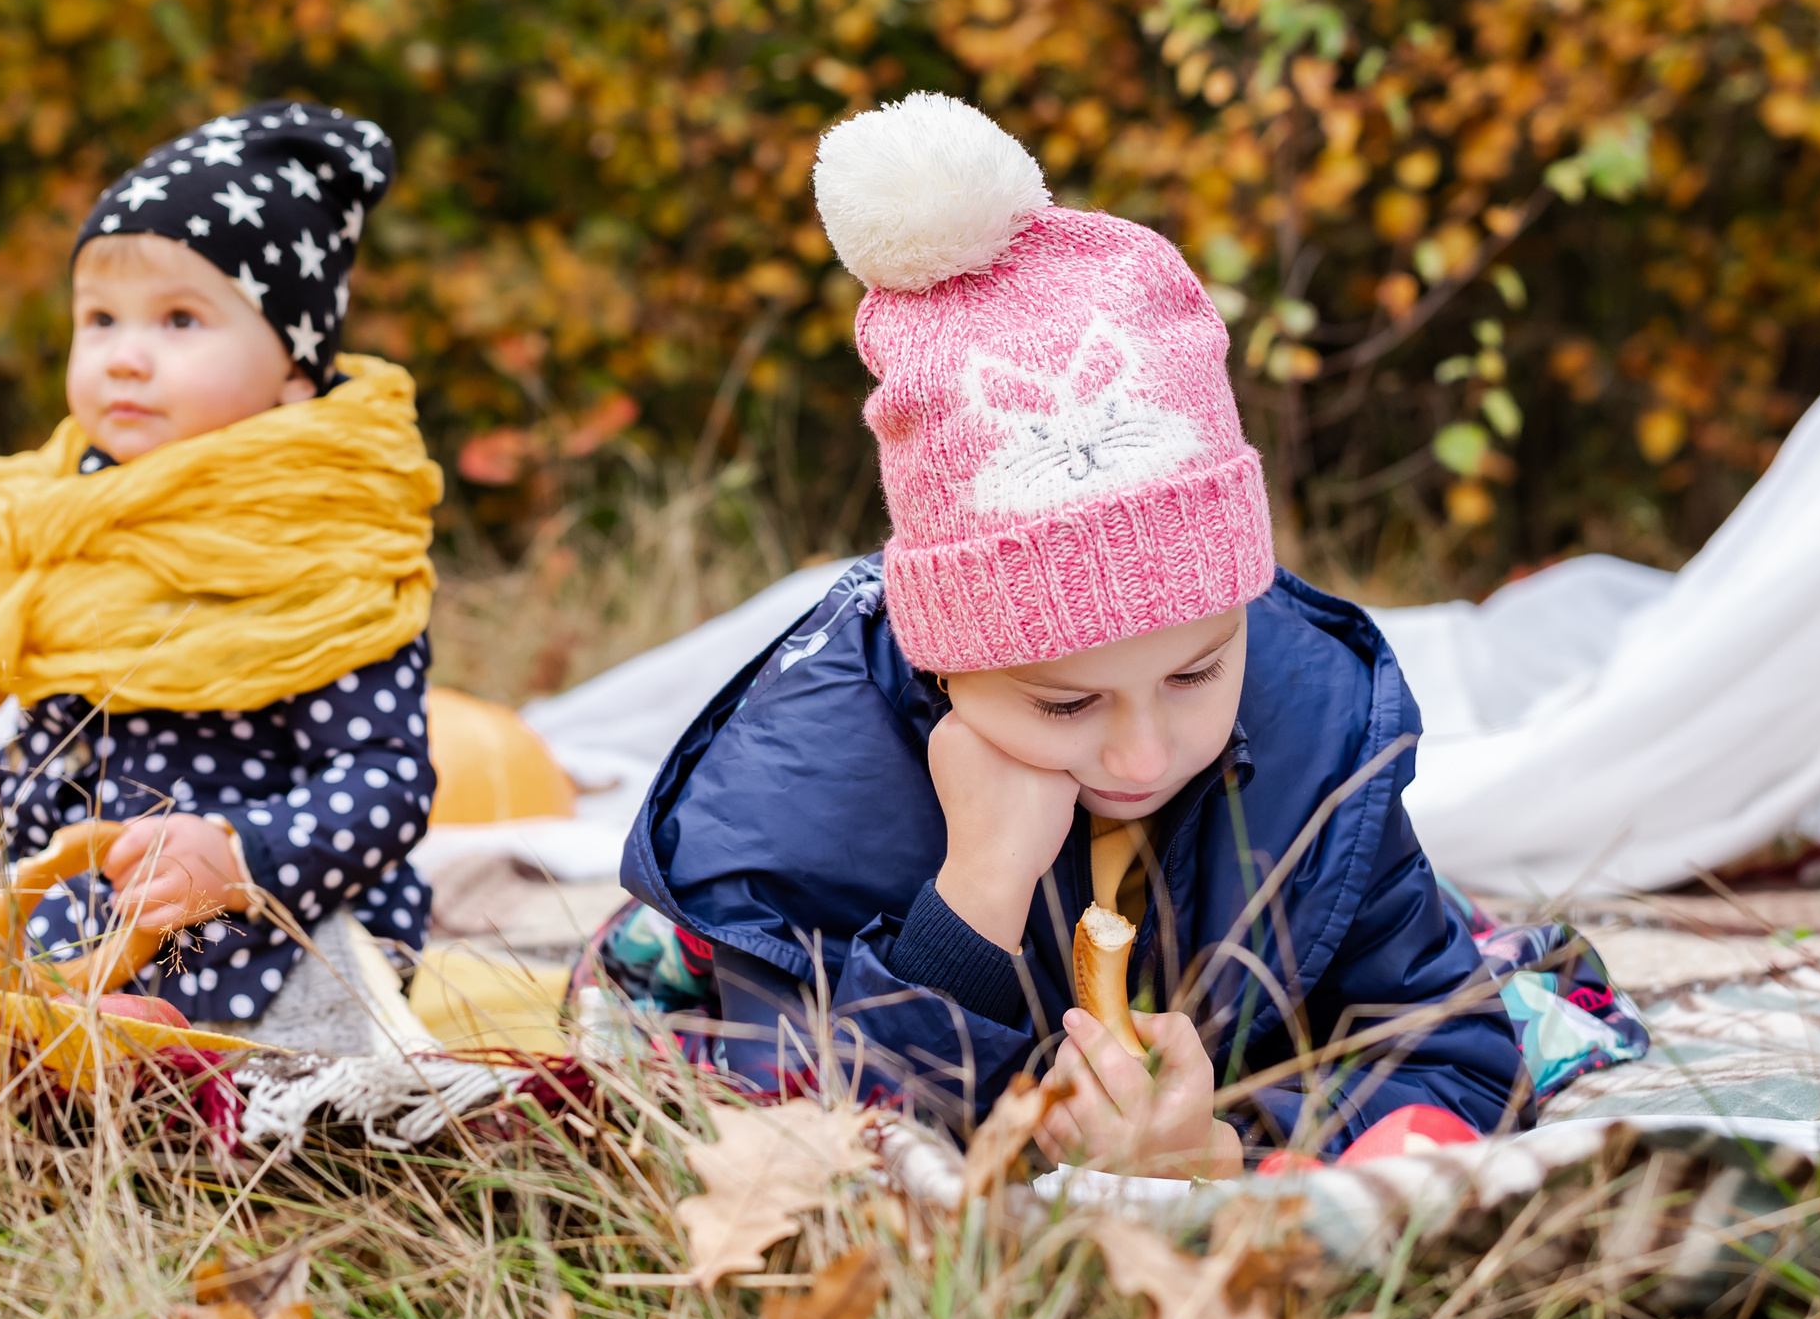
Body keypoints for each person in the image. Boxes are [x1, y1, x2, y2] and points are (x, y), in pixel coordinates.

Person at [602, 94, 1526, 1173]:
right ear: (945, 656)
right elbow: (805, 1128)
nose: (1140, 755)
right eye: (1065, 702)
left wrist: (1226, 1146)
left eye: (1195, 670)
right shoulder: (809, 787)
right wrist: (973, 900)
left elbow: (1450, 1055)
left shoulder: (1312, 728)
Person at [0, 102, 443, 1044]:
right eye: (99, 319)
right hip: (60, 884)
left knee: (102, 1018)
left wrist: (244, 854)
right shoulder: (68, 513)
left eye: (181, 319)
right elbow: (40, 714)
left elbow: (386, 777)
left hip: (243, 909)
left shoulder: (323, 534)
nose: (126, 357)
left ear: (293, 371)